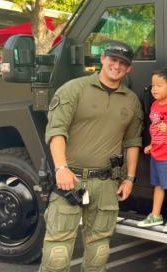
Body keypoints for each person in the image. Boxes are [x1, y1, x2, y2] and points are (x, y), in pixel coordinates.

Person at [39, 41, 143, 272]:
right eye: (113, 60)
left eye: (123, 63)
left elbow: (133, 142)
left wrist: (130, 178)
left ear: (129, 69)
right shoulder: (73, 89)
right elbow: (56, 131)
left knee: (99, 249)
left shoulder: (131, 100)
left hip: (106, 183)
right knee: (57, 250)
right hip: (70, 180)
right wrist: (61, 169)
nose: (117, 66)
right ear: (103, 59)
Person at [137, 69, 167, 232]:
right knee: (157, 186)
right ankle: (155, 215)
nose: (154, 89)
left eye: (159, 85)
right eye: (153, 85)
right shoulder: (155, 105)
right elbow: (155, 129)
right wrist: (152, 145)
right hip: (157, 154)